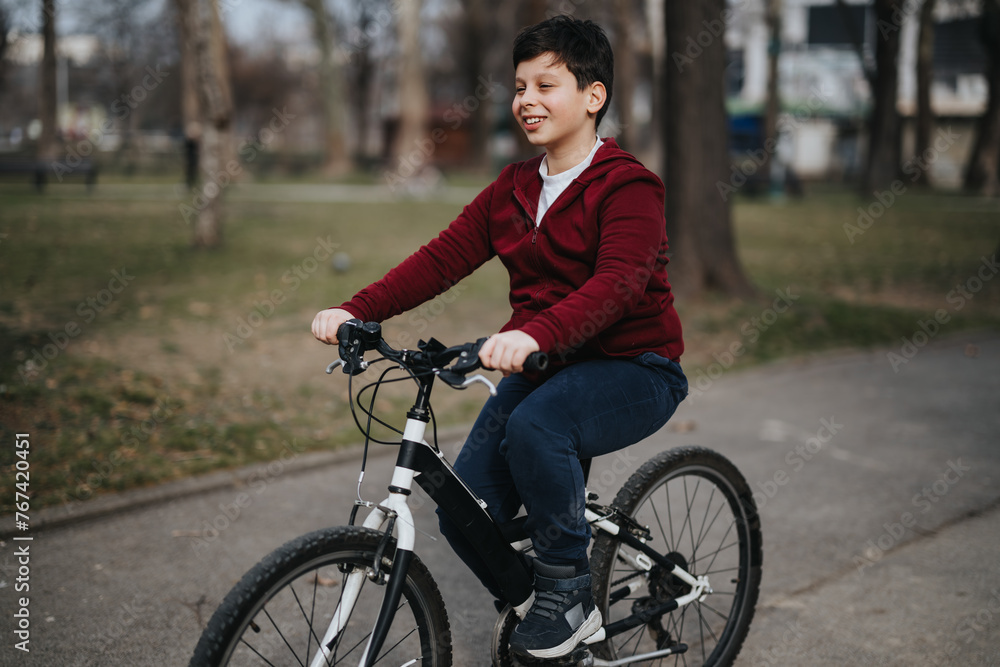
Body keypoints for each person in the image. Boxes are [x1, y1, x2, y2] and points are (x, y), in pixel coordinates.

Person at [312, 14, 687, 661]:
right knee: (466, 508)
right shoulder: (513, 189)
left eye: (547, 84)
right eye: (519, 87)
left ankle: (566, 593)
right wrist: (357, 309)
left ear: (593, 95)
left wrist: (536, 331)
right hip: (548, 364)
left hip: (636, 367)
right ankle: (537, 608)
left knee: (537, 425)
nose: (527, 100)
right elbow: (439, 259)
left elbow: (619, 284)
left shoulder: (629, 186)